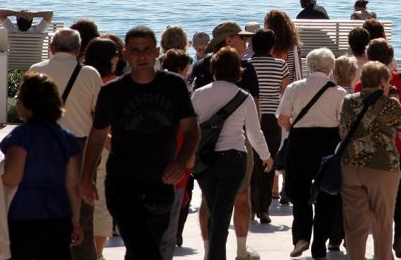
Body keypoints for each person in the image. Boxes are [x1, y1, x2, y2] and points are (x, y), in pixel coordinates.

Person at [80, 26, 199, 260]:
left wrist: (182, 161)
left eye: (146, 49)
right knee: (144, 248)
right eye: (134, 50)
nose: (141, 56)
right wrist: (86, 178)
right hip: (122, 184)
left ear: (157, 52)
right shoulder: (112, 92)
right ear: (125, 54)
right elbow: (97, 136)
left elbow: (192, 129)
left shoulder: (173, 86)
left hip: (162, 183)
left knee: (144, 248)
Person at [191, 47, 274, 260]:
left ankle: (212, 253)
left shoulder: (199, 94)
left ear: (214, 69)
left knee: (212, 206)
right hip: (233, 159)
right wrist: (266, 156)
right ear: (237, 71)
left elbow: (191, 129)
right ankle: (223, 255)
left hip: (205, 159)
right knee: (223, 210)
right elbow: (255, 133)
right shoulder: (244, 97)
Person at [30, 28, 102, 260]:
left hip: (43, 147)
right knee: (82, 212)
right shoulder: (90, 74)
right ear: (79, 50)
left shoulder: (36, 71)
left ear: (51, 46)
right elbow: (99, 116)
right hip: (78, 148)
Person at [1, 73, 83, 259]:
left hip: (24, 213)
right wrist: (76, 221)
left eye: (18, 98)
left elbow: (12, 177)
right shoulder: (66, 138)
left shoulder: (21, 136)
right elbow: (73, 184)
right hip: (58, 213)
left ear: (29, 104)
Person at [340, 61, 401, 260]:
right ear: (382, 82)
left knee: (355, 224)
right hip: (382, 168)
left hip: (351, 166)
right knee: (382, 221)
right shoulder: (390, 103)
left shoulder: (348, 101)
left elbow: (342, 132)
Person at [277, 48, 346, 260]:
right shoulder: (339, 92)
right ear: (330, 68)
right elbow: (342, 126)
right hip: (328, 143)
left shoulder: (294, 88)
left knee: (300, 193)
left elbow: (282, 118)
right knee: (326, 194)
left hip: (300, 141)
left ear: (310, 66)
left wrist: (294, 131)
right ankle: (319, 244)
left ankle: (301, 237)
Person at [357, 39, 401, 258]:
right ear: (390, 58)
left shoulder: (361, 87)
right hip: (399, 147)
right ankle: (399, 238)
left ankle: (381, 239)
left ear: (369, 57)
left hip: (370, 150)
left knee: (373, 197)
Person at [83, 38, 120, 260]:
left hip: (79, 143)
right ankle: (98, 254)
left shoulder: (83, 78)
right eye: (115, 53)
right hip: (106, 144)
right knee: (102, 203)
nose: (118, 57)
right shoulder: (114, 84)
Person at [248, 28, 290, 224]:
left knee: (252, 161)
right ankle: (263, 209)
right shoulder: (281, 65)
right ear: (272, 46)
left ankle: (251, 205)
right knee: (268, 162)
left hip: (250, 116)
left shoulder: (247, 65)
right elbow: (284, 91)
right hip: (272, 117)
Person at [159, 49, 194, 259]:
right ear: (182, 69)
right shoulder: (183, 96)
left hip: (149, 168)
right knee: (169, 227)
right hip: (176, 169)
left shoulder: (150, 92)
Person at [264, 9, 303, 82]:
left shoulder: (266, 46)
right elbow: (298, 72)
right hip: (289, 89)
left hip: (270, 87)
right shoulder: (295, 47)